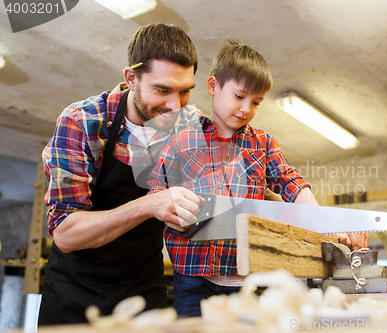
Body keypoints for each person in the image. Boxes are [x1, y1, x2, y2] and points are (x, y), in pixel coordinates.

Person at [148, 40, 369, 317]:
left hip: (247, 279)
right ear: (213, 86)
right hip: (192, 277)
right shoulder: (181, 140)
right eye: (239, 96)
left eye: (256, 102)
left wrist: (326, 223)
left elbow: (292, 184)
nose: (245, 109)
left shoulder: (263, 145)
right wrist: (169, 210)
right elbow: (156, 191)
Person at [38, 23, 205, 325]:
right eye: (162, 90)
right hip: (75, 291)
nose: (174, 106)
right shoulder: (82, 122)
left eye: (185, 92)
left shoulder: (189, 124)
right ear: (131, 78)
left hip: (143, 288)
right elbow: (66, 234)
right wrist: (149, 205)